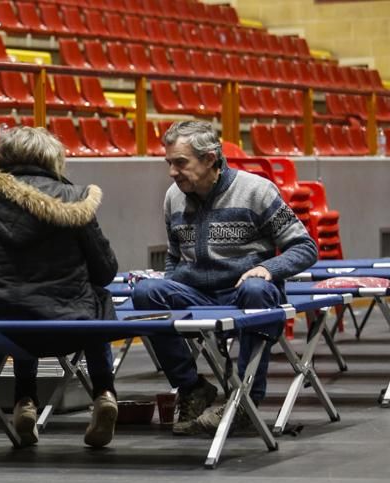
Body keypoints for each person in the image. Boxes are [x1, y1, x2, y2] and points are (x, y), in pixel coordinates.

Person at [133, 120, 318, 435]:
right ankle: (192, 387)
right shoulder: (172, 198)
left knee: (257, 289)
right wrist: (169, 281)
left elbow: (305, 246)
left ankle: (246, 400)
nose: (172, 172)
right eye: (169, 164)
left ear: (209, 159)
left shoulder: (258, 190)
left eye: (180, 163)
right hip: (196, 295)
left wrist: (269, 269)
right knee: (146, 292)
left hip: (247, 294)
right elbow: (175, 256)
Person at [0, 126, 120, 448]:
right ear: (52, 158)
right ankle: (103, 392)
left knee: (18, 302)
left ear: (1, 157)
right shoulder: (77, 200)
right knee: (99, 298)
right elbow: (105, 271)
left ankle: (24, 401)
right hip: (68, 326)